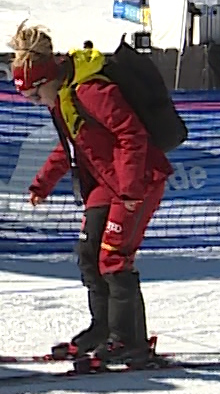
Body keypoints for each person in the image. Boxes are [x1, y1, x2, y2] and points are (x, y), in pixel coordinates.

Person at [15, 23, 173, 368]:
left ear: (46, 81)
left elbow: (132, 135)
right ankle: (103, 330)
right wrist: (42, 183)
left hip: (137, 179)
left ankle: (128, 341)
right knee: (89, 254)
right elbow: (71, 145)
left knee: (114, 259)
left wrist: (130, 189)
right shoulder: (64, 98)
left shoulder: (90, 91)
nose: (34, 103)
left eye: (32, 95)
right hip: (107, 181)